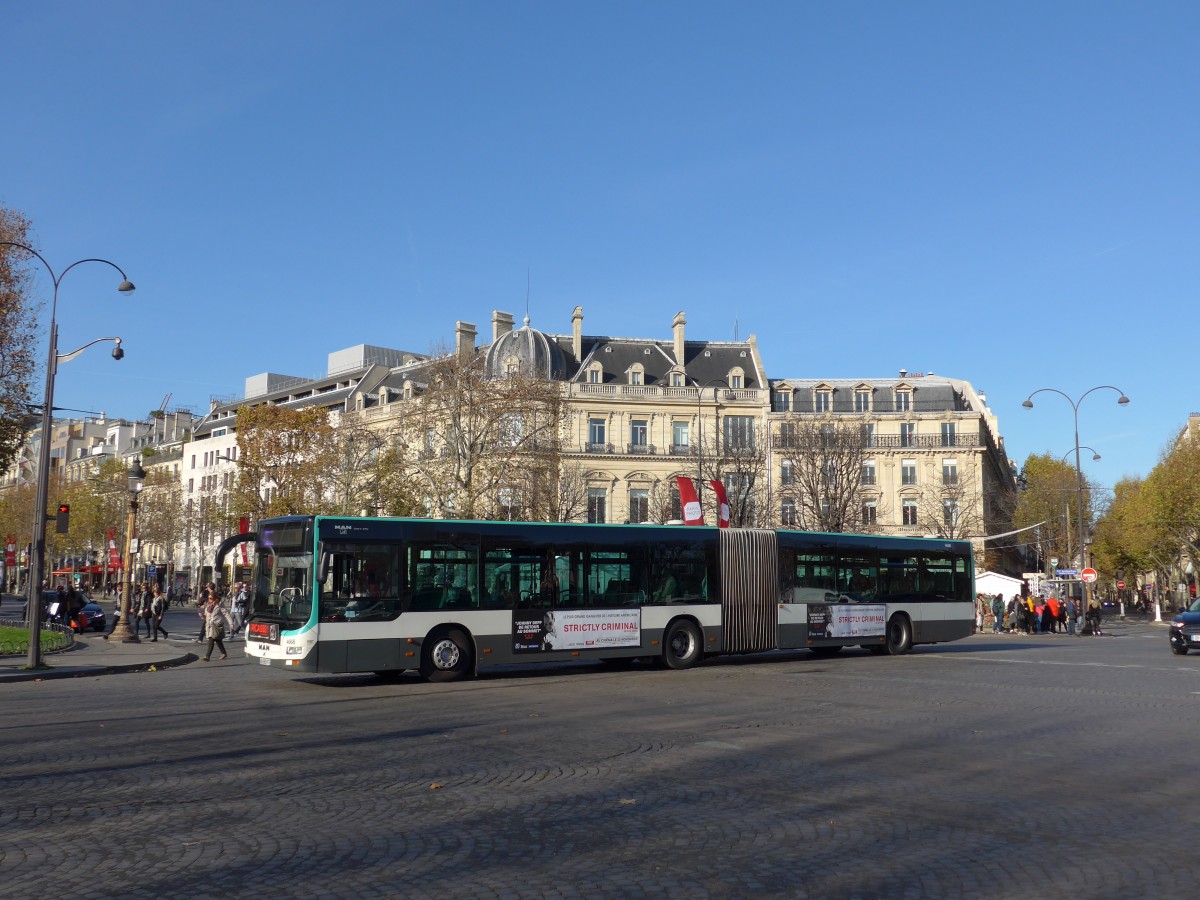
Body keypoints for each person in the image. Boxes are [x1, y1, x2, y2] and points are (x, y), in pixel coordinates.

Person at [201, 592, 233, 661]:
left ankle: (207, 656)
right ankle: (224, 653)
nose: (209, 600)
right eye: (208, 598)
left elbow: (226, 614)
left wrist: (231, 623)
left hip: (216, 625)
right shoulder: (208, 606)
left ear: (215, 599)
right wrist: (202, 616)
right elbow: (206, 616)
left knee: (211, 639)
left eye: (211, 598)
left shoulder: (219, 605)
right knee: (218, 640)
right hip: (209, 625)